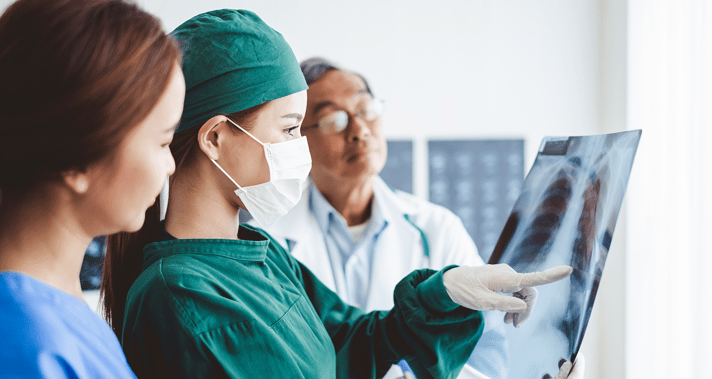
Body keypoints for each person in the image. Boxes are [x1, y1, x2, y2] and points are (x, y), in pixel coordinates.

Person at [101, 9, 574, 379]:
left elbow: (355, 344)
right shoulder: (183, 297)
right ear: (215, 139)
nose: (300, 149)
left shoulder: (259, 258)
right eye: (290, 129)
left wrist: (445, 294)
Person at [260, 57, 504, 379]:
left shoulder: (438, 229)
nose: (359, 131)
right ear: (298, 138)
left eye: (365, 110)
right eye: (333, 120)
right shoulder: (267, 241)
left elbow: (487, 347)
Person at [0, 0, 184, 377]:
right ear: (76, 158)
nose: (171, 166)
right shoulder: (33, 347)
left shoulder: (56, 309)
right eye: (164, 142)